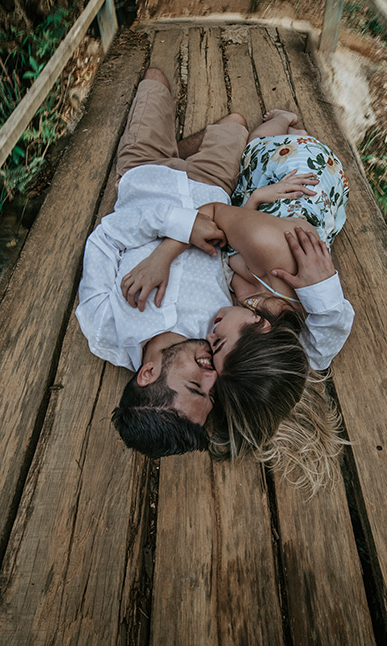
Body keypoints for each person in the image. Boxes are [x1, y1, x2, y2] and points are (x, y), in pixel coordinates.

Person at [75, 69, 308, 460]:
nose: (211, 373)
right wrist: (246, 208)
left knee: (155, 78)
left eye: (196, 386)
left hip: (142, 175)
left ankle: (175, 149)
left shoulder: (103, 324)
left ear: (147, 375)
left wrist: (174, 235)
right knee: (235, 122)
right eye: (211, 392)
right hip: (211, 184)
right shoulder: (220, 336)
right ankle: (187, 150)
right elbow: (233, 258)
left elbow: (106, 237)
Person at [119, 109, 354, 490]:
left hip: (258, 215)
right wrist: (161, 256)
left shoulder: (270, 337)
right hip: (302, 170)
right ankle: (287, 119)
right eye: (219, 343)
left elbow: (316, 354)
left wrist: (252, 206)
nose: (207, 337)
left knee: (240, 199)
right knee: (259, 142)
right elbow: (211, 214)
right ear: (260, 324)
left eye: (211, 353)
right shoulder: (272, 256)